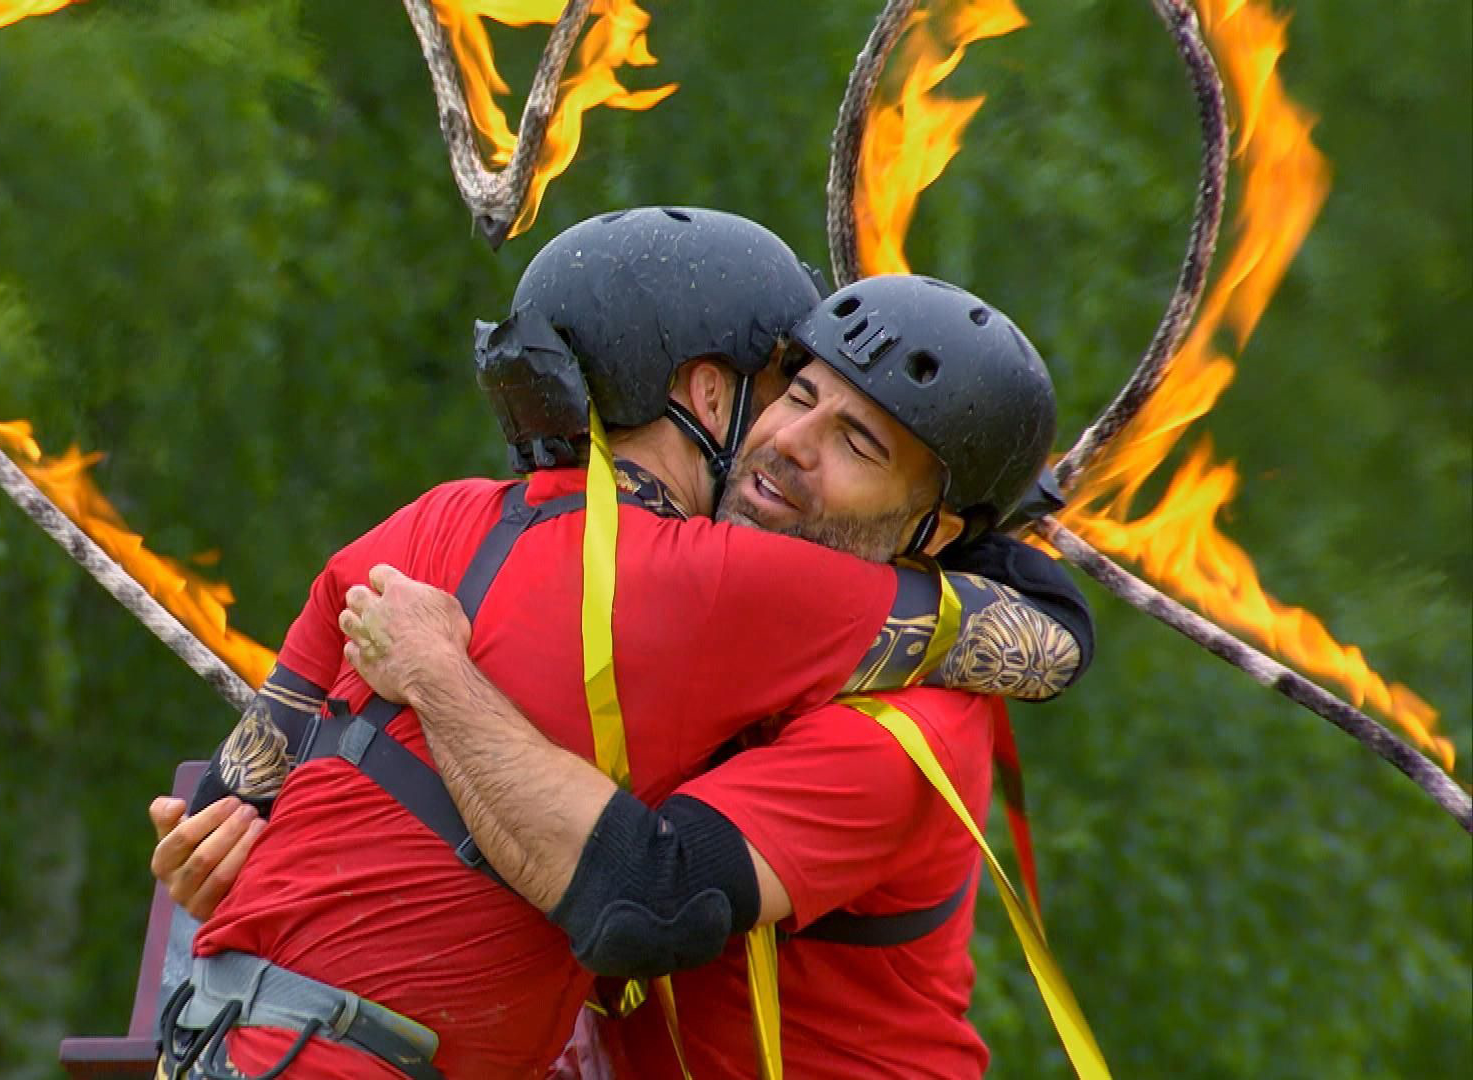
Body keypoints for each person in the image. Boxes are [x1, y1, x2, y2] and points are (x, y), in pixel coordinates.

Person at [151, 209, 1089, 1079]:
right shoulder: (721, 585)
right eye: (793, 392)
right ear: (709, 392)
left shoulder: (439, 523)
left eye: (859, 444)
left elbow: (645, 898)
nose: (792, 440)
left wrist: (424, 688)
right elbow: (1048, 641)